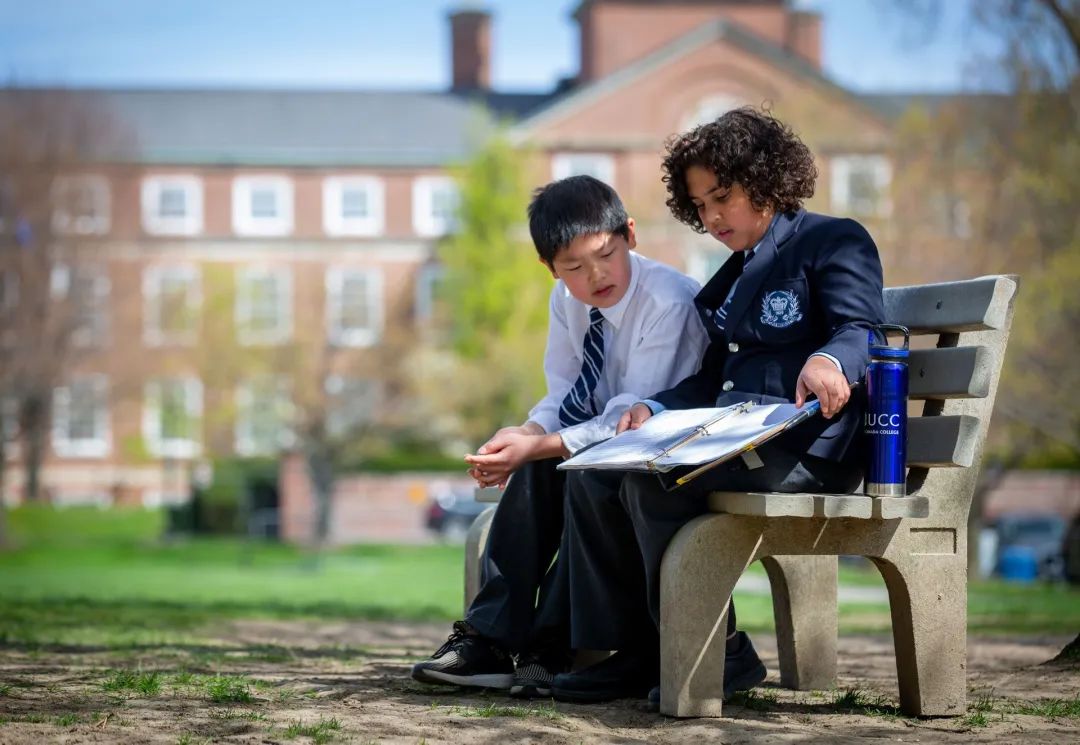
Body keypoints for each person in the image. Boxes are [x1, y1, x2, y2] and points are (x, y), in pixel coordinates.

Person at [550, 107, 886, 707]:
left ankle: (719, 653)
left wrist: (832, 361)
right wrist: (654, 407)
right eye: (700, 205)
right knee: (597, 476)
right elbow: (710, 378)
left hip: (807, 448)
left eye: (721, 197)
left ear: (765, 179)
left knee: (654, 485)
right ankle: (630, 651)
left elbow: (862, 327)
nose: (710, 216)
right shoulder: (730, 276)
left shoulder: (831, 240)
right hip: (736, 439)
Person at [411, 174, 709, 697]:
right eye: (573, 267)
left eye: (605, 255)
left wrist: (541, 444)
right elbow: (565, 395)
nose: (595, 276)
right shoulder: (565, 301)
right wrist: (524, 434)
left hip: (664, 459)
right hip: (607, 458)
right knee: (544, 462)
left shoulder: (667, 303)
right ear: (549, 267)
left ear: (630, 236)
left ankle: (547, 646)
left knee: (574, 470)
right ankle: (490, 640)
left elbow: (627, 420)